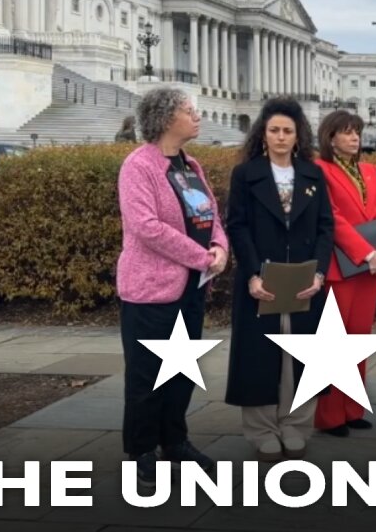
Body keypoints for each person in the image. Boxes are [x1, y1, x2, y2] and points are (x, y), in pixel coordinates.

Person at [116, 87, 227, 487]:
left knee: (181, 372)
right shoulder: (138, 166)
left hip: (191, 288)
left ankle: (174, 442)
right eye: (188, 111)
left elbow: (210, 213)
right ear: (164, 119)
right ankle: (141, 450)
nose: (196, 116)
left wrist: (219, 247)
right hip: (150, 290)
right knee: (147, 375)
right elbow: (146, 227)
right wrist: (201, 257)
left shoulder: (190, 165)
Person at [224, 98, 334, 461]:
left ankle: (295, 424)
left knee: (299, 352)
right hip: (262, 280)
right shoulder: (246, 174)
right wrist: (253, 273)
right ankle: (262, 428)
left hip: (304, 279)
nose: (281, 137)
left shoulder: (313, 174)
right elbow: (237, 226)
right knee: (259, 354)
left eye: (288, 131)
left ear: (298, 135)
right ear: (263, 134)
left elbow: (324, 227)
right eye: (274, 130)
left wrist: (319, 272)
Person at [313, 110, 376, 436]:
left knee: (359, 337)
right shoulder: (320, 170)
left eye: (357, 133)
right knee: (336, 341)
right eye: (347, 132)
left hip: (370, 266)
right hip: (339, 264)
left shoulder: (369, 170)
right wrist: (367, 252)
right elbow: (333, 219)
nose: (354, 138)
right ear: (330, 137)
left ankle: (351, 409)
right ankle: (330, 416)